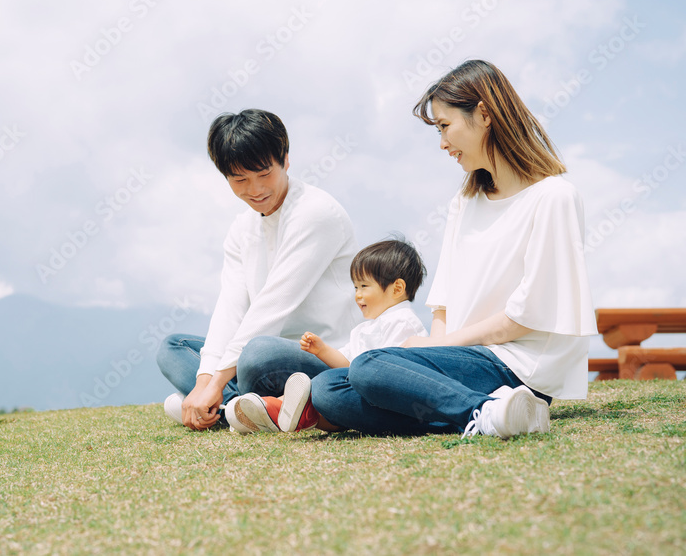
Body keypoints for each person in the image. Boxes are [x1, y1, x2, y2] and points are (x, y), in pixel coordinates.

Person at [310, 59, 597, 439]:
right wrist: (432, 349)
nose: (442, 142)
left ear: (483, 114)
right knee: (328, 390)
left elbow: (527, 316)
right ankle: (489, 412)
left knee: (368, 366)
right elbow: (443, 303)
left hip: (515, 365)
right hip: (460, 356)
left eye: (445, 126)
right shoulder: (464, 202)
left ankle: (479, 409)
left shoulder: (553, 197)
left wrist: (440, 344)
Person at [157, 109, 359, 431]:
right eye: (240, 180)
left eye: (264, 174)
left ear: (285, 161)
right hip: (260, 355)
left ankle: (231, 407)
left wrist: (216, 382)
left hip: (328, 355)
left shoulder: (315, 213)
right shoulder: (241, 229)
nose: (255, 189)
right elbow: (231, 307)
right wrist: (205, 379)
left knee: (257, 352)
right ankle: (245, 407)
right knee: (173, 348)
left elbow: (272, 306)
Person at [230, 238, 430, 433]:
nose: (357, 294)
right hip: (360, 389)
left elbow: (393, 375)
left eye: (364, 286)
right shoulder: (365, 328)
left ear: (397, 288)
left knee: (323, 386)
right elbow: (346, 362)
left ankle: (272, 411)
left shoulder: (402, 321)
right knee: (324, 385)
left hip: (382, 400)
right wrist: (322, 350)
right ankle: (270, 412)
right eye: (355, 287)